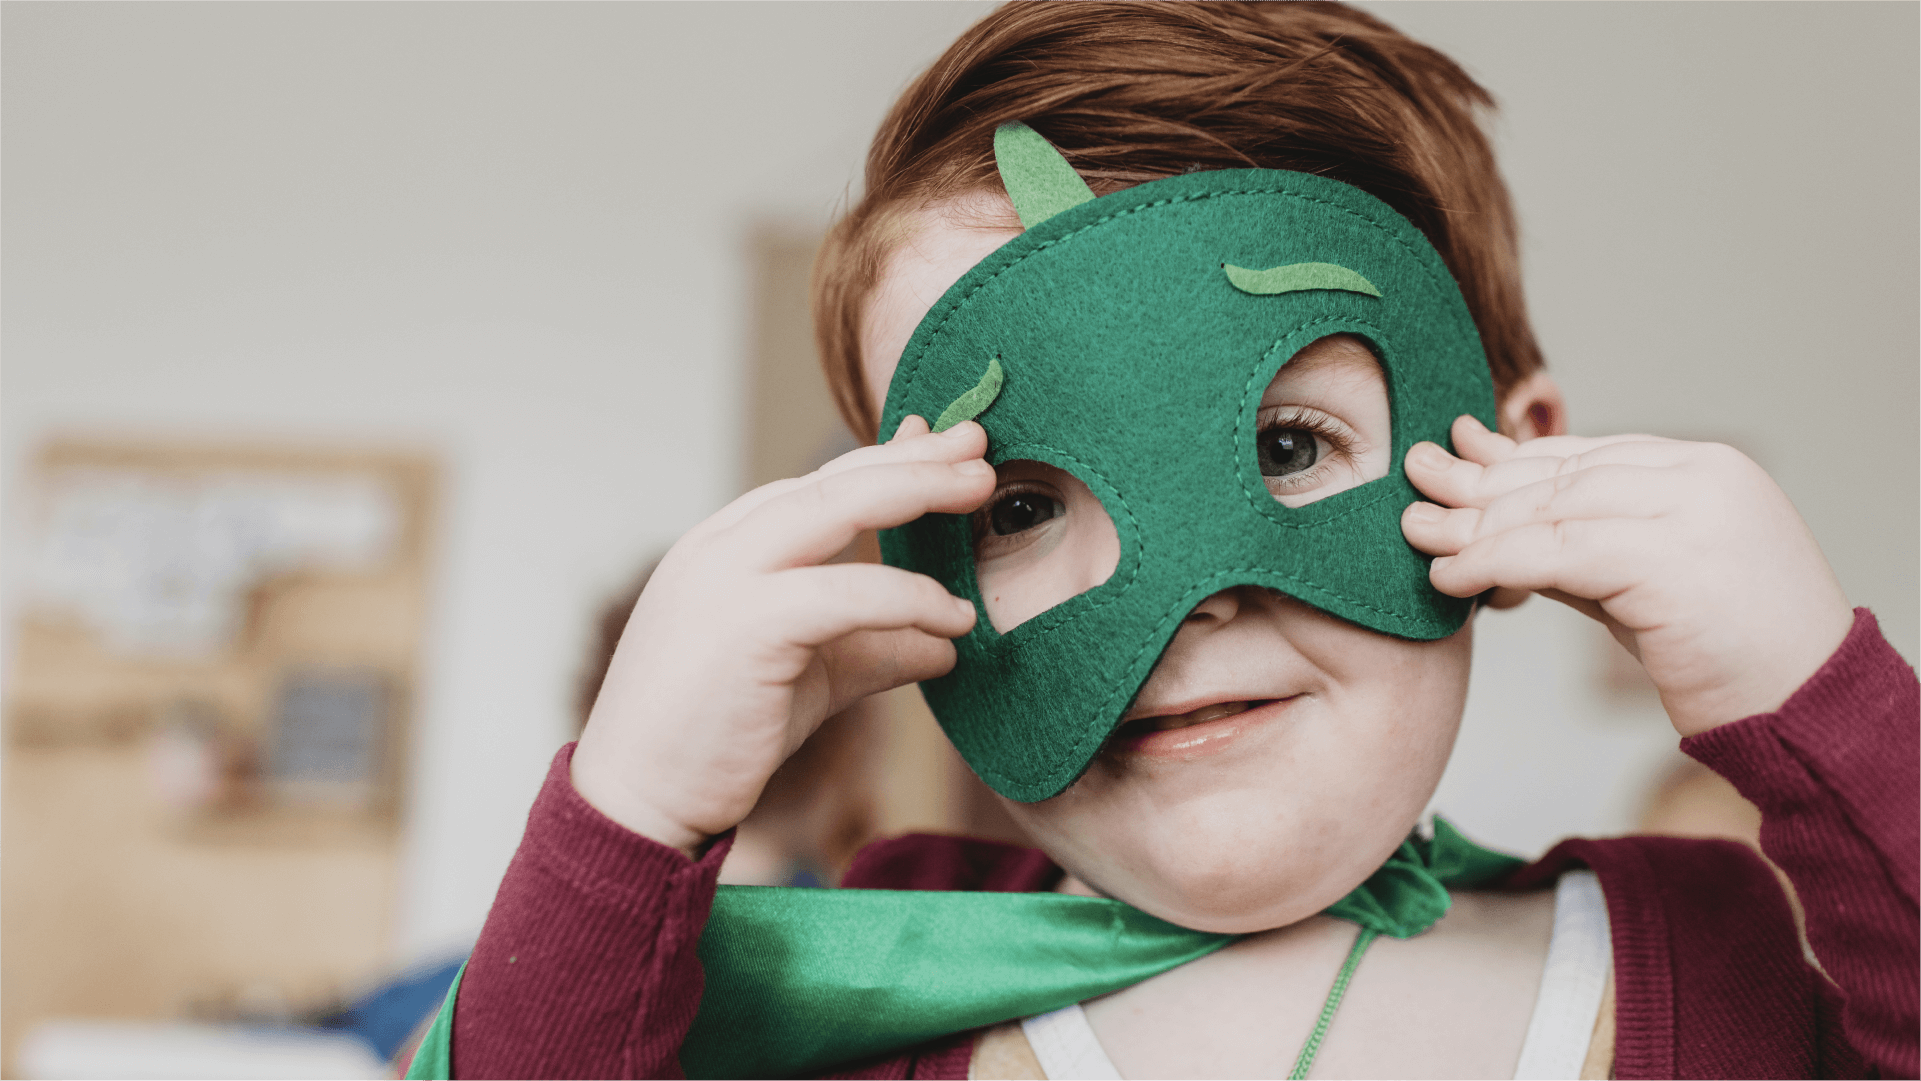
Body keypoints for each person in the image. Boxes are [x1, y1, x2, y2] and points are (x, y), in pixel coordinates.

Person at [416, 5, 1918, 1079]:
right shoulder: (869, 986)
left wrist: (1823, 705)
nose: (1183, 600)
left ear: (1522, 470)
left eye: (1289, 446)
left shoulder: (1719, 960)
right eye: (1018, 509)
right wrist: (630, 814)